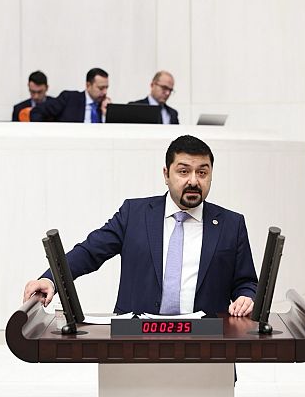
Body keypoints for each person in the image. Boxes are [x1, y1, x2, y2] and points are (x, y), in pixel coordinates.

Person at [23, 135, 257, 316]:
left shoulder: (231, 224)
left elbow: (246, 282)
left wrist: (247, 297)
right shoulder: (134, 214)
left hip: (207, 343)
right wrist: (50, 279)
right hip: (137, 340)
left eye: (202, 173)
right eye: (184, 171)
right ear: (166, 174)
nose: (194, 181)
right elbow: (89, 252)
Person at [30, 67, 110, 122]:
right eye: (101, 88)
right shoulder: (69, 99)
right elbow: (37, 112)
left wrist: (106, 115)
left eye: (106, 88)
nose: (105, 92)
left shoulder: (105, 107)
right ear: (88, 85)